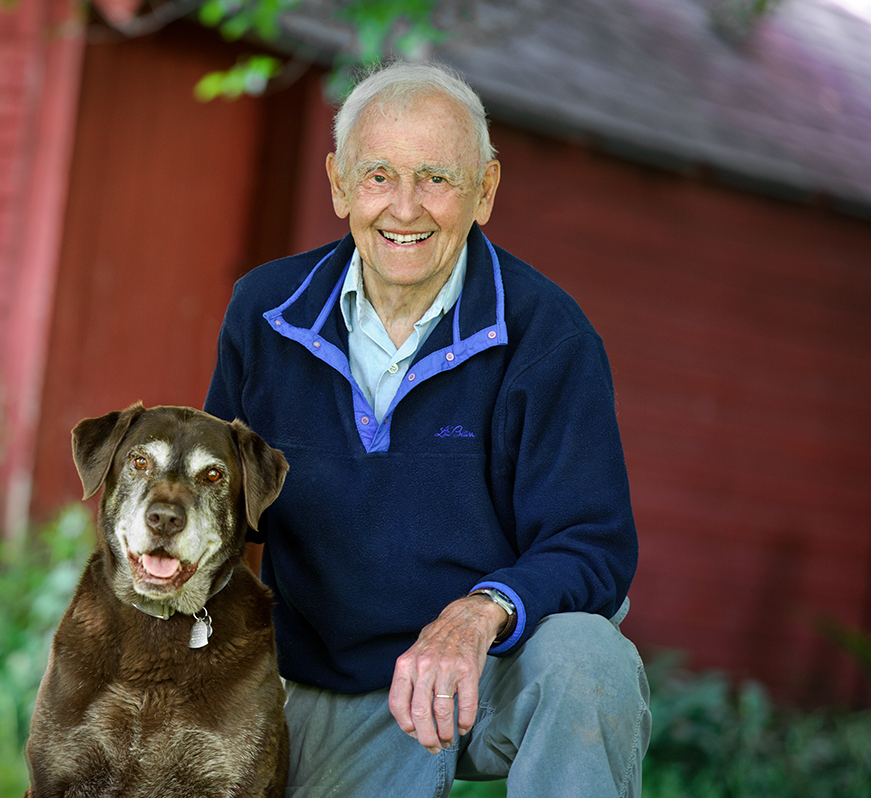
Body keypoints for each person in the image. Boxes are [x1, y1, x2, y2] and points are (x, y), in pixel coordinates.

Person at [204, 60, 650, 798]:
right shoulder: (266, 310)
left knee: (587, 659)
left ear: (485, 191)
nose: (404, 208)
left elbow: (592, 545)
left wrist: (478, 616)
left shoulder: (549, 336)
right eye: (378, 174)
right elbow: (224, 512)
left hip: (490, 670)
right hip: (332, 681)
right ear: (340, 183)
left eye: (436, 179)